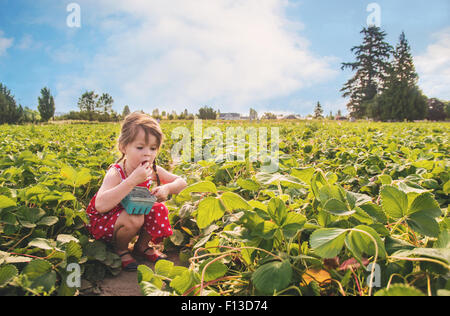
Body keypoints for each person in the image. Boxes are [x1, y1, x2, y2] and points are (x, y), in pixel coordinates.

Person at [86, 112, 187, 271]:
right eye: (140, 147)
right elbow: (100, 205)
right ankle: (120, 249)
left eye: (153, 148)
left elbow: (182, 182)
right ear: (123, 147)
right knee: (136, 217)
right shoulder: (117, 172)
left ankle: (141, 246)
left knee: (159, 208)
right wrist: (132, 180)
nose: (147, 153)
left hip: (134, 213)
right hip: (108, 221)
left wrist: (167, 188)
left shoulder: (151, 170)